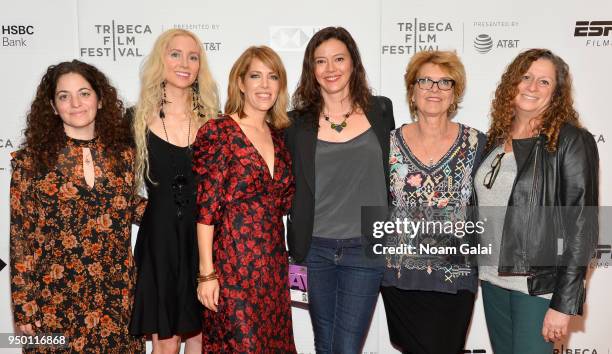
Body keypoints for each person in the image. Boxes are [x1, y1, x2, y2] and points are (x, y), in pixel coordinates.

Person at [9, 60, 145, 353]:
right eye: (64, 96)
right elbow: (21, 235)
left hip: (116, 298)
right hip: (53, 301)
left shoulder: (123, 156)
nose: (75, 103)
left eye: (84, 93)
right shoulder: (30, 161)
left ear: (100, 99)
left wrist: (182, 214)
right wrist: (23, 304)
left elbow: (127, 206)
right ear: (53, 106)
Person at [474, 48, 598, 354]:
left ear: (556, 93)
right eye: (526, 77)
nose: (531, 86)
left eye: (544, 82)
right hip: (491, 282)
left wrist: (563, 303)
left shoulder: (570, 141)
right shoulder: (495, 138)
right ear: (511, 83)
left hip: (538, 289)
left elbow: (583, 226)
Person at [286, 26, 395, 353]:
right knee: (325, 343)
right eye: (321, 61)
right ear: (311, 69)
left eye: (338, 59)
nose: (330, 69)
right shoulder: (295, 123)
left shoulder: (381, 110)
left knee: (346, 347)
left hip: (365, 247)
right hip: (314, 249)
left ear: (353, 63)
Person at [380, 50, 486, 353]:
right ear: (412, 91)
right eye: (425, 81)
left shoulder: (478, 144)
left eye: (444, 82)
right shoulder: (387, 144)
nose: (434, 89)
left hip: (455, 276)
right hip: (399, 276)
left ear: (455, 94)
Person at [193, 46, 296, 353]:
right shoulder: (219, 131)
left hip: (273, 267)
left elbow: (283, 204)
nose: (264, 85)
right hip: (232, 268)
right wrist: (207, 274)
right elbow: (205, 211)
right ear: (240, 83)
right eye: (255, 76)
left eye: (272, 76)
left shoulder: (279, 136)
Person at [129, 28, 219, 354]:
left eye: (193, 56)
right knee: (165, 343)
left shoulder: (213, 123)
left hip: (204, 241)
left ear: (200, 66)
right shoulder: (135, 120)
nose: (185, 63)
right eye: (175, 54)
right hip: (160, 243)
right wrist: (154, 212)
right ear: (160, 61)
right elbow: (116, 190)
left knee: (201, 338)